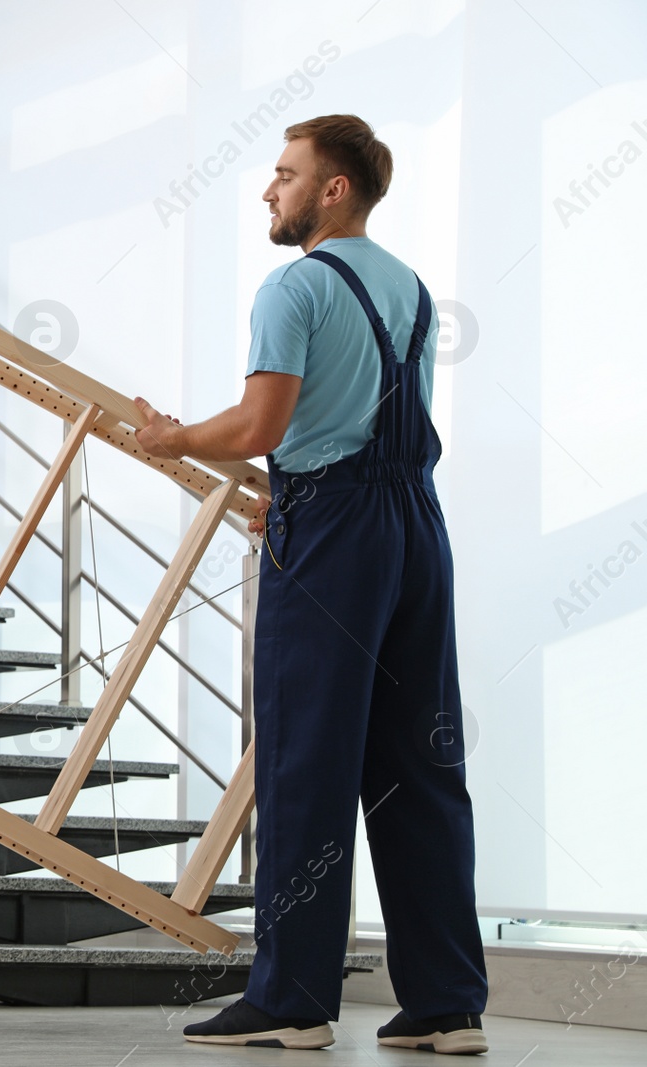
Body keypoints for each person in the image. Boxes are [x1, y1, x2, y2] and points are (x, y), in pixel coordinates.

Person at [132, 114, 489, 1054]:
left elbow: (260, 423)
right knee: (421, 764)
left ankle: (293, 997)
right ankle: (448, 1004)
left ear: (333, 189)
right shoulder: (409, 289)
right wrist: (302, 480)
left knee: (306, 762)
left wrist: (171, 438)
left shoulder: (291, 287)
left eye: (285, 174)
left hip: (332, 534)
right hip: (416, 526)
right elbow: (350, 422)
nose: (269, 190)